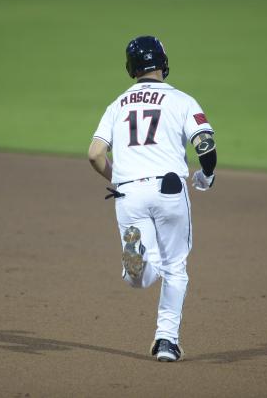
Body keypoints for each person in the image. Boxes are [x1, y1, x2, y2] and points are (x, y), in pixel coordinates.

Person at [88, 35, 217, 362]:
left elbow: (95, 154)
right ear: (163, 63)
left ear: (131, 69)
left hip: (128, 192)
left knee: (141, 278)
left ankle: (138, 261)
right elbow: (205, 145)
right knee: (175, 267)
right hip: (170, 189)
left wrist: (117, 177)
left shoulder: (117, 104)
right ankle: (166, 341)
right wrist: (207, 176)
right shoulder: (182, 100)